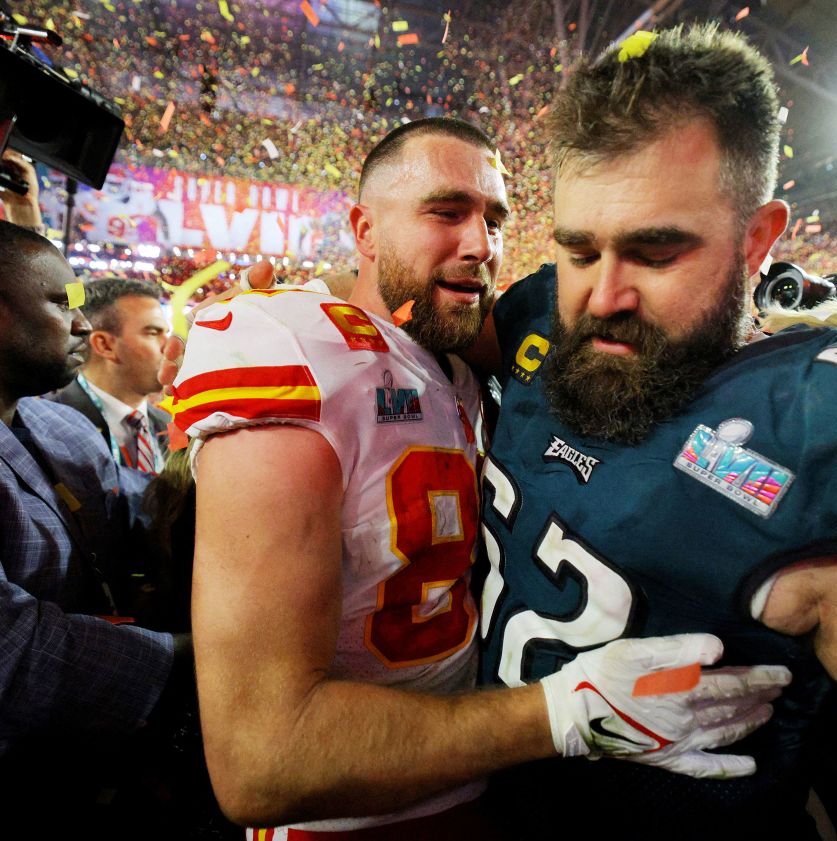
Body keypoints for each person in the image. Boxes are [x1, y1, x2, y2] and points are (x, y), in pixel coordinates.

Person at [475, 24, 837, 839]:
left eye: (655, 252)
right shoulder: (537, 316)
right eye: (580, 248)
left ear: (758, 240)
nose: (601, 294)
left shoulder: (825, 435)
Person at [172, 117, 789, 837]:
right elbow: (261, 763)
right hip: (348, 818)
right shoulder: (290, 352)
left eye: (495, 219)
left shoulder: (459, 360)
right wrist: (564, 713)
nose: (480, 245)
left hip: (485, 787)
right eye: (446, 212)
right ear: (364, 230)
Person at [0, 220, 188, 834]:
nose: (82, 324)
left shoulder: (61, 429)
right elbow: (13, 649)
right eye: (60, 303)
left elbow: (143, 518)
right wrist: (193, 662)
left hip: (83, 773)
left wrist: (219, 439)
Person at [49, 278, 171, 473]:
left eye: (167, 333)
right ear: (105, 345)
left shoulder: (170, 426)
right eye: (153, 333)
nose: (169, 346)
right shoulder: (48, 425)